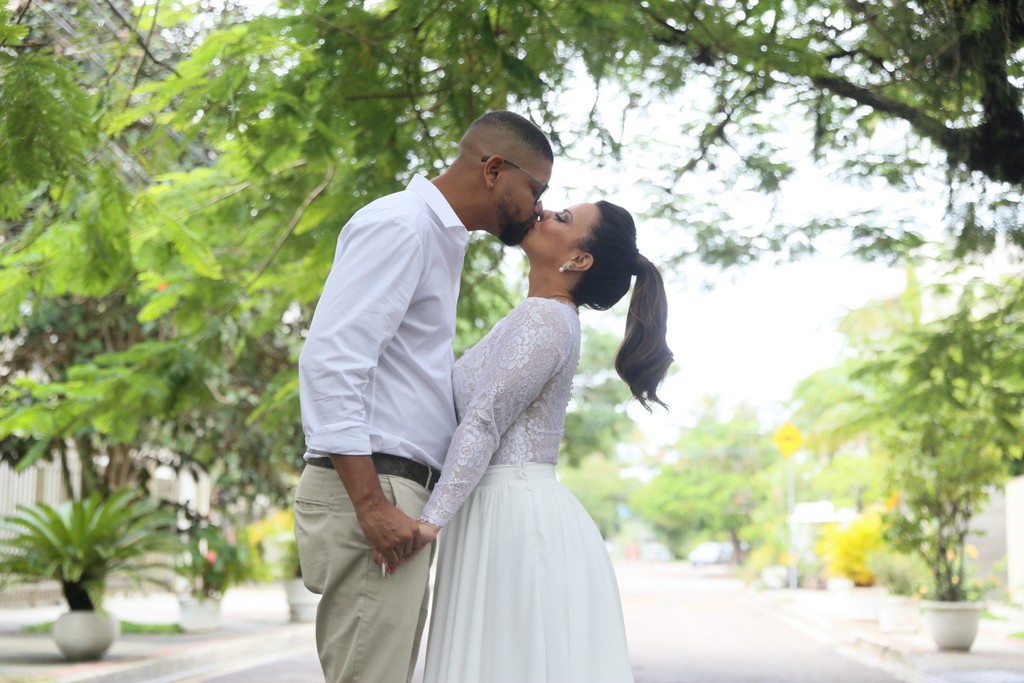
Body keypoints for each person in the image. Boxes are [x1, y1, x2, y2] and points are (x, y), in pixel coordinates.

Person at [294, 111, 554, 683]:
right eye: (536, 189)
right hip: (373, 486)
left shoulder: (439, 238)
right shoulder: (402, 225)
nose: (538, 207)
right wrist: (370, 505)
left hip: (394, 489)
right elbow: (330, 363)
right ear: (493, 170)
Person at [391, 200, 673, 683]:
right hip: (498, 508)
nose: (543, 213)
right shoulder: (537, 315)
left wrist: (428, 523)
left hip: (514, 518)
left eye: (562, 219)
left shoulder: (545, 319)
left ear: (579, 260)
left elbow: (482, 423)